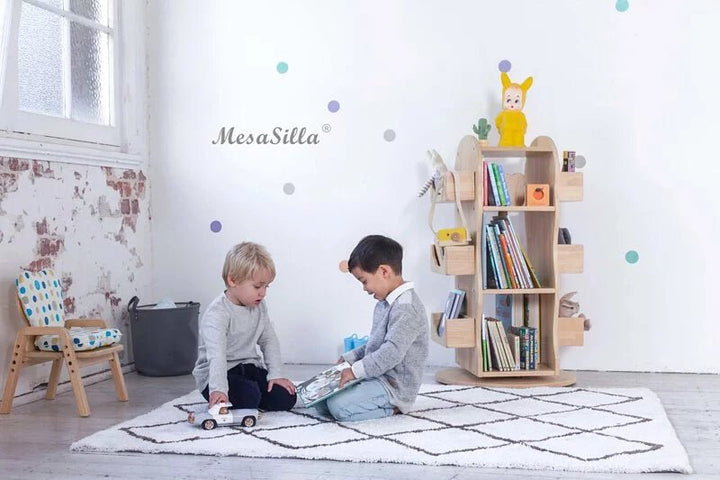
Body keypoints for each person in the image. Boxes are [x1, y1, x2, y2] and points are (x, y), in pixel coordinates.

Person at [315, 235, 428, 422]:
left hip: (393, 386)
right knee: (321, 401)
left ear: (384, 271)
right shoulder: (385, 303)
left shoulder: (407, 308)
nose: (364, 289)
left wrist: (354, 371)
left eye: (364, 281)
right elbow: (375, 343)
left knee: (338, 408)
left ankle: (395, 408)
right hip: (375, 375)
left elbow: (391, 352)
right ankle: (360, 395)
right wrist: (350, 358)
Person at [192, 242, 297, 412]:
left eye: (266, 286)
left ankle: (254, 396)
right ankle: (235, 396)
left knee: (286, 396)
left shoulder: (259, 306)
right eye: (257, 286)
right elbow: (216, 355)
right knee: (249, 396)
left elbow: (269, 340)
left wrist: (276, 375)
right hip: (219, 373)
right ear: (233, 280)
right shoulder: (217, 314)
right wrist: (218, 389)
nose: (263, 293)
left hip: (248, 367)